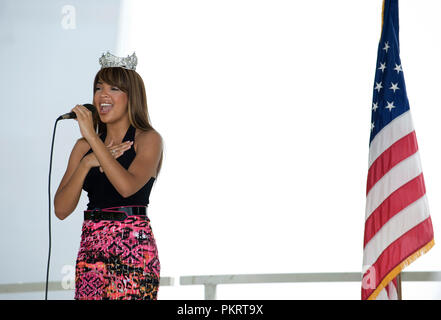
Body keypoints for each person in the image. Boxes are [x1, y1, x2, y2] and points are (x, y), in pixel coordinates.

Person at [54, 52, 163, 300]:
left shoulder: (148, 139)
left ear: (131, 97)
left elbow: (127, 188)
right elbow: (60, 210)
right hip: (91, 247)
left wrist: (93, 138)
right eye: (98, 88)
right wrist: (87, 163)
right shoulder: (83, 148)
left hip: (132, 246)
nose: (103, 95)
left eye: (114, 88)